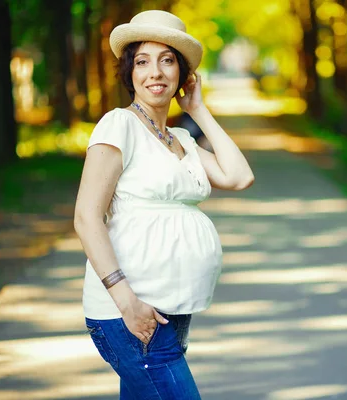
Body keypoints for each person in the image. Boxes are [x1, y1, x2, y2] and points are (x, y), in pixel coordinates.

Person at [73, 10, 254, 399]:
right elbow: (87, 217)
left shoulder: (180, 140)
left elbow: (239, 177)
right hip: (132, 311)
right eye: (142, 61)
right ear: (130, 73)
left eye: (167, 60)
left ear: (183, 75)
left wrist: (198, 111)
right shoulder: (118, 125)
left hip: (171, 311)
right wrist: (127, 302)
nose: (154, 72)